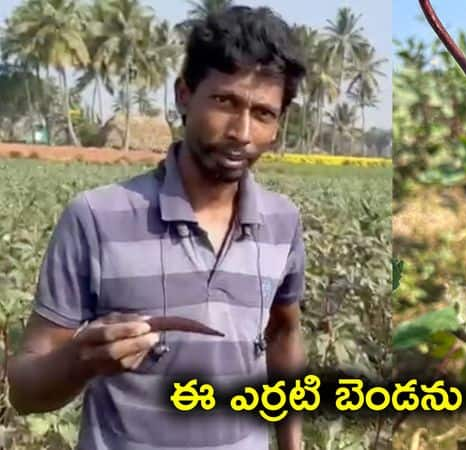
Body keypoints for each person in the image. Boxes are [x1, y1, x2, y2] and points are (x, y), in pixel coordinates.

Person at [7, 5, 307, 450]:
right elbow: (24, 390)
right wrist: (80, 361)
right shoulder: (95, 217)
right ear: (184, 95)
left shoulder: (283, 222)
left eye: (263, 113)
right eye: (225, 102)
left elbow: (283, 332)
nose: (241, 132)